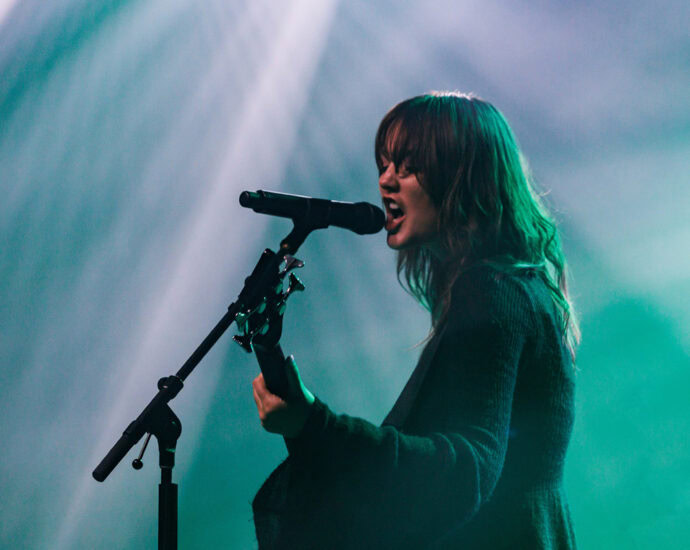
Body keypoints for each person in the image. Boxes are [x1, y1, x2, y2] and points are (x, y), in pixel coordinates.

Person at [251, 91, 580, 549]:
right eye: (384, 165)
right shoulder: (515, 287)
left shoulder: (491, 290)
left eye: (407, 167)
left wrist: (314, 425)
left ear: (462, 177)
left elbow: (467, 469)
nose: (385, 181)